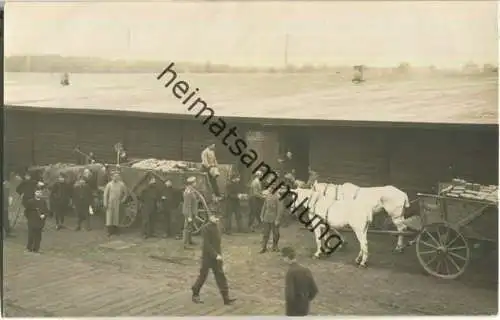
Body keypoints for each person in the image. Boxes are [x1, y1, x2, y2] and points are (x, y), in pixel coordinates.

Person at [191, 213, 236, 305]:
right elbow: (206, 245)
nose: (217, 219)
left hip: (217, 257)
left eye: (218, 217)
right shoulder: (205, 228)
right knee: (203, 276)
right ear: (210, 217)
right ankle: (195, 292)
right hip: (208, 257)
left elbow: (217, 242)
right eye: (215, 217)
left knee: (220, 276)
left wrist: (218, 255)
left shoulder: (218, 227)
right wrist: (215, 255)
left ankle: (226, 298)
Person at [282, 246, 318, 316]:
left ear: (286, 258)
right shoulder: (306, 270)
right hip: (305, 307)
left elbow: (290, 295)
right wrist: (306, 300)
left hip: (293, 310)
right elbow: (314, 290)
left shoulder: (291, 272)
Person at [259, 188, 285, 253]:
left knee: (276, 234)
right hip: (266, 217)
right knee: (265, 233)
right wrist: (262, 215)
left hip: (274, 218)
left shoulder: (278, 197)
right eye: (270, 187)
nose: (270, 189)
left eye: (272, 188)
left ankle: (275, 246)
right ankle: (263, 247)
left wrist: (277, 219)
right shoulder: (267, 196)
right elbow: (264, 206)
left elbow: (280, 209)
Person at [25, 187, 49, 253]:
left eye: (40, 192)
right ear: (34, 193)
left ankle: (36, 249)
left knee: (38, 236)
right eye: (37, 192)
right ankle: (29, 248)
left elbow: (47, 211)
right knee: (31, 235)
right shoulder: (30, 201)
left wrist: (44, 215)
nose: (39, 193)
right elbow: (26, 212)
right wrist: (30, 218)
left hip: (40, 221)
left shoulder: (43, 202)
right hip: (32, 221)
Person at [103, 172, 127, 237]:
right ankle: (109, 232)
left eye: (117, 176)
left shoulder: (121, 184)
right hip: (110, 202)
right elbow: (105, 195)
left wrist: (122, 200)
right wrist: (105, 203)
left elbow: (125, 193)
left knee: (116, 217)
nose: (115, 178)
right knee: (109, 217)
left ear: (119, 177)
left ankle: (116, 231)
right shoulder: (109, 184)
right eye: (114, 176)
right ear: (112, 177)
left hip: (117, 203)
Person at [182, 176, 198, 248]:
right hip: (188, 212)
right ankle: (185, 244)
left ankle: (190, 241)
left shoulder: (191, 190)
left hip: (191, 212)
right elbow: (188, 205)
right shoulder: (188, 192)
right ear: (192, 183)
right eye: (195, 182)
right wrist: (189, 216)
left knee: (190, 227)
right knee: (187, 228)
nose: (196, 183)